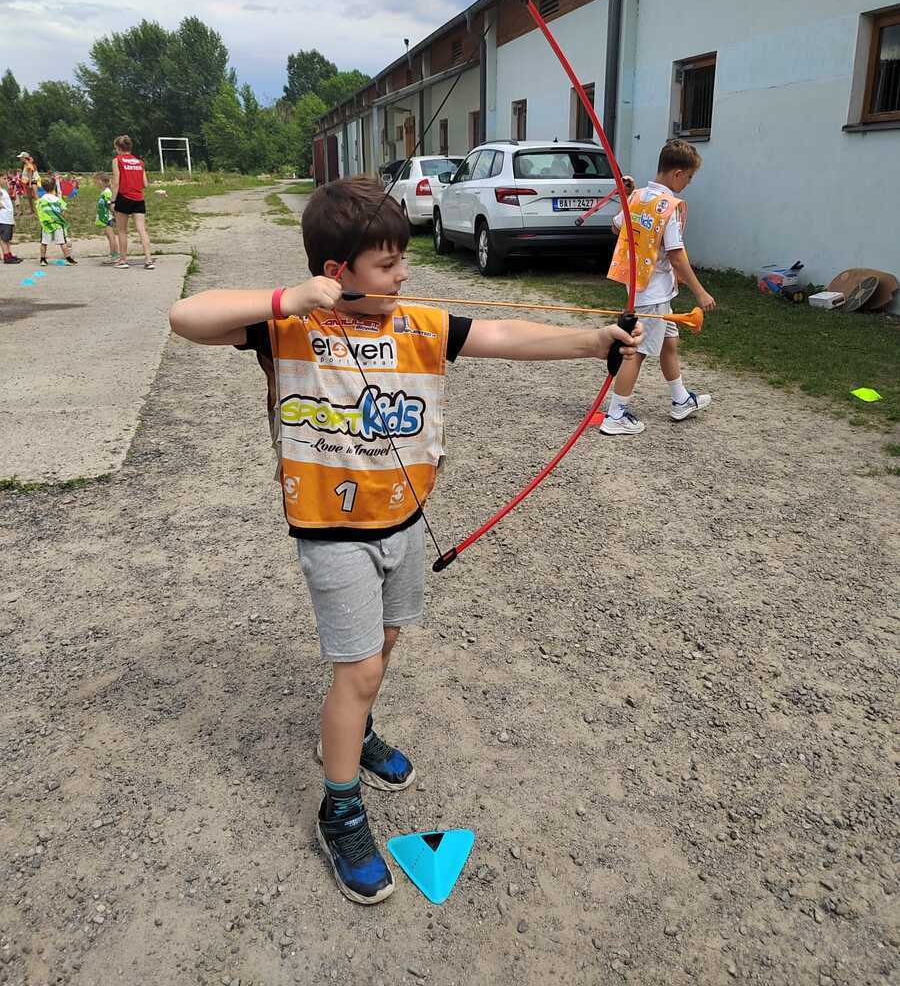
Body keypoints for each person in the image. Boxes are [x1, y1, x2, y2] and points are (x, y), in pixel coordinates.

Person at [168, 175, 642, 907]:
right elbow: (184, 316)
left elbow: (503, 335)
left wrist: (592, 341)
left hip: (403, 522)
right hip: (331, 530)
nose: (403, 275)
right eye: (387, 265)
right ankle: (340, 810)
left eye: (402, 261)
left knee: (383, 647)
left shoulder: (418, 324)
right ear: (338, 274)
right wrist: (287, 299)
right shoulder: (291, 326)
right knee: (358, 669)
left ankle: (353, 732)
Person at [599, 138, 715, 435]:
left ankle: (680, 400)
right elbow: (676, 256)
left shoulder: (638, 197)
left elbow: (616, 226)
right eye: (689, 177)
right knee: (636, 352)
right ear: (677, 173)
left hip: (648, 289)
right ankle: (616, 415)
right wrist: (700, 292)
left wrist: (626, 197)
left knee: (669, 342)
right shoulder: (669, 208)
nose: (689, 183)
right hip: (653, 294)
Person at [110, 135, 154, 269]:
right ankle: (148, 259)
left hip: (123, 197)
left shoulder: (117, 160)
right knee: (142, 229)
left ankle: (123, 260)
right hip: (138, 198)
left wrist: (112, 201)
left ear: (118, 148)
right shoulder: (140, 162)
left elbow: (116, 182)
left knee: (122, 230)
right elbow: (145, 184)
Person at [36, 177, 77, 266]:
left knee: (44, 243)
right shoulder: (57, 200)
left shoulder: (41, 200)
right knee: (62, 242)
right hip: (58, 224)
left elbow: (39, 210)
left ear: (43, 188)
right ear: (54, 187)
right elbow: (63, 211)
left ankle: (42, 260)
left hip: (47, 224)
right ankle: (68, 259)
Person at [94, 174, 118, 262]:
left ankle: (114, 255)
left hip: (108, 217)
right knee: (110, 236)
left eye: (96, 181)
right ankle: (114, 254)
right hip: (105, 218)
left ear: (101, 181)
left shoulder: (107, 193)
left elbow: (110, 206)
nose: (95, 183)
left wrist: (115, 216)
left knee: (111, 236)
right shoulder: (104, 192)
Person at [0, 178, 22, 264]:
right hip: (3, 218)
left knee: (7, 238)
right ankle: (6, 256)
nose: (6, 180)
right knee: (4, 239)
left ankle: (9, 254)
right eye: (4, 178)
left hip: (8, 218)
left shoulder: (3, 190)